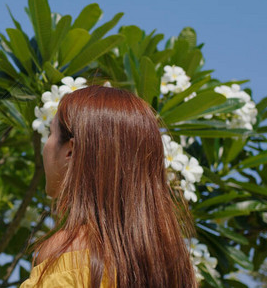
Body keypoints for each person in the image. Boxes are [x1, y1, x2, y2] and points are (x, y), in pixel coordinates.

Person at [20, 85, 197, 287]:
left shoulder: (65, 254)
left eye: (50, 133)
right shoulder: (173, 265)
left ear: (71, 151)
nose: (46, 145)